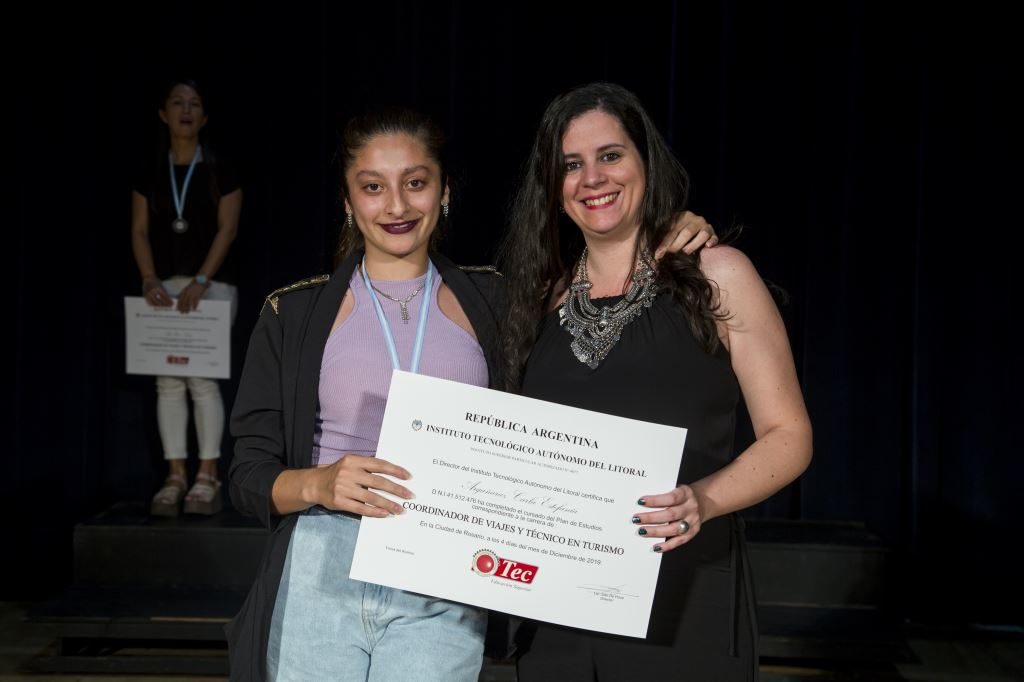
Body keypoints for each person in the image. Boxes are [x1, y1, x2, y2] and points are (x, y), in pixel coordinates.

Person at [225, 106, 716, 681]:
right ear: (348, 200)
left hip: (449, 570)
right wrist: (319, 483)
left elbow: (607, 266)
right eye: (373, 187)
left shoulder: (502, 300)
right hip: (323, 562)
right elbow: (247, 475)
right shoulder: (293, 313)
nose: (397, 206)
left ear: (445, 192)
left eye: (415, 183)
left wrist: (667, 225)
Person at [500, 82, 813, 680]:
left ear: (646, 162)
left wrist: (705, 499)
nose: (593, 178)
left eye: (610, 155)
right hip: (558, 611)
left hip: (684, 602)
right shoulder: (537, 298)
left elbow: (789, 435)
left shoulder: (717, 275)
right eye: (571, 165)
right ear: (553, 186)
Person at [131, 78, 242, 516]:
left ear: (205, 116)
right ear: (163, 114)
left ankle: (207, 476)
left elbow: (227, 229)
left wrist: (201, 278)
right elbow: (139, 230)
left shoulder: (220, 168)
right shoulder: (150, 169)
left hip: (210, 287)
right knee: (167, 381)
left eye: (194, 103)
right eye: (177, 102)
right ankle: (175, 475)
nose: (185, 110)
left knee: (201, 379)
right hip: (162, 287)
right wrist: (148, 278)